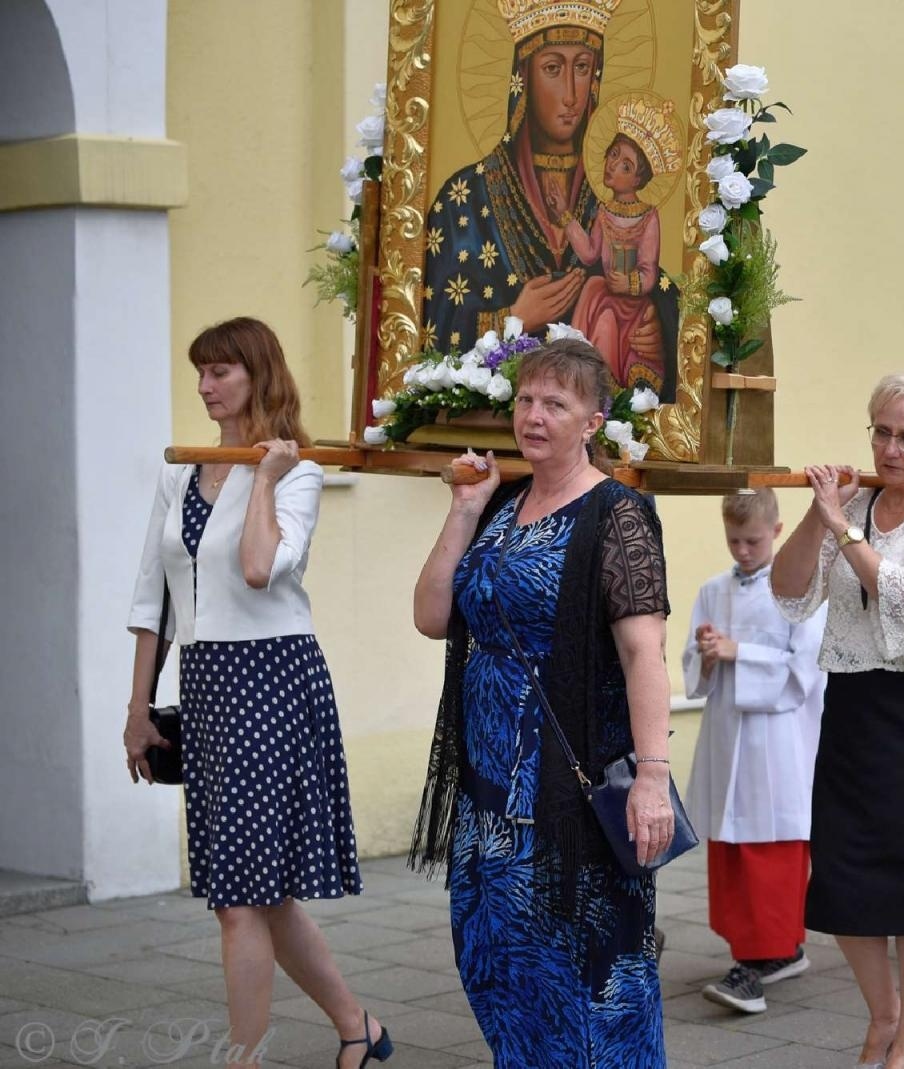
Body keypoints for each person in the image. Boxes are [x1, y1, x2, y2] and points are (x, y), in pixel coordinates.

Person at [124, 318, 383, 1069]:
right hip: (205, 686)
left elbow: (263, 566)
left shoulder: (297, 474)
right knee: (260, 892)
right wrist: (137, 709)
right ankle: (357, 1024)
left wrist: (265, 478)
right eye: (200, 373)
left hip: (272, 679)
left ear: (257, 376)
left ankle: (244, 1060)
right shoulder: (181, 471)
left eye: (220, 372)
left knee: (238, 896)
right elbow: (154, 602)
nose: (205, 386)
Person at [409, 337, 675, 1067]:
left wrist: (652, 778)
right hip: (487, 791)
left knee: (586, 985)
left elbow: (642, 652)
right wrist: (463, 510)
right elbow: (434, 616)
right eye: (526, 398)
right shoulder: (498, 503)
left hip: (567, 793)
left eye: (555, 402)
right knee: (496, 968)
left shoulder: (616, 514)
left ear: (592, 420)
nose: (534, 414)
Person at [771, 371, 904, 1069]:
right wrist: (818, 512)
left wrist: (844, 528)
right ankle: (882, 1016)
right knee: (845, 869)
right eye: (882, 431)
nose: (890, 448)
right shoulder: (852, 503)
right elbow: (790, 591)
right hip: (855, 703)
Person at [422, 0, 673, 393]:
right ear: (523, 76)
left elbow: (656, 281)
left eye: (583, 67)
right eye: (553, 69)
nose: (572, 94)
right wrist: (512, 319)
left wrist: (654, 326)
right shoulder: (465, 199)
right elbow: (431, 324)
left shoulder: (613, 200)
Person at [686, 489, 826, 1014]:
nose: (742, 550)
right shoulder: (713, 589)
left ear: (778, 530)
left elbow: (805, 670)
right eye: (734, 540)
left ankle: (771, 951)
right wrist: (704, 653)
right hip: (727, 730)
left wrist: (737, 651)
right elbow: (693, 665)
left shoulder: (799, 589)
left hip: (777, 738)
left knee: (772, 842)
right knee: (731, 838)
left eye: (753, 540)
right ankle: (752, 944)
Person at [562, 95, 682, 392]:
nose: (613, 165)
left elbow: (649, 271)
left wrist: (628, 283)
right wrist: (565, 219)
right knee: (597, 302)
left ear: (639, 180)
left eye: (626, 166)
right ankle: (581, 382)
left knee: (607, 320)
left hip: (633, 304)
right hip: (605, 295)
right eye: (613, 154)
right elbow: (590, 254)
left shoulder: (648, 216)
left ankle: (602, 392)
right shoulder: (603, 211)